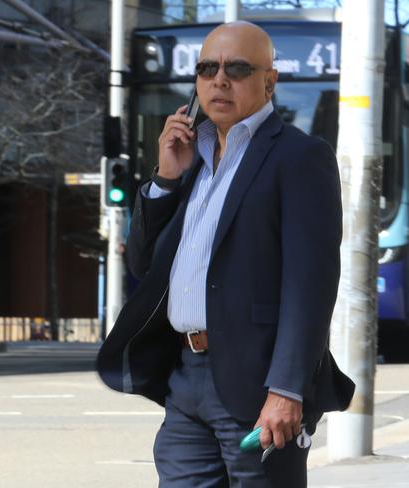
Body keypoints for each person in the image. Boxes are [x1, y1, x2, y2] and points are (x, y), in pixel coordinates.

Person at [96, 21, 355, 487]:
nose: (219, 79)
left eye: (237, 68)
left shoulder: (299, 157)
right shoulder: (189, 158)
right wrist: (166, 178)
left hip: (258, 385)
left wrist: (287, 389)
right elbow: (143, 265)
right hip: (186, 380)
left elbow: (310, 287)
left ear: (269, 81)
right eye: (207, 68)